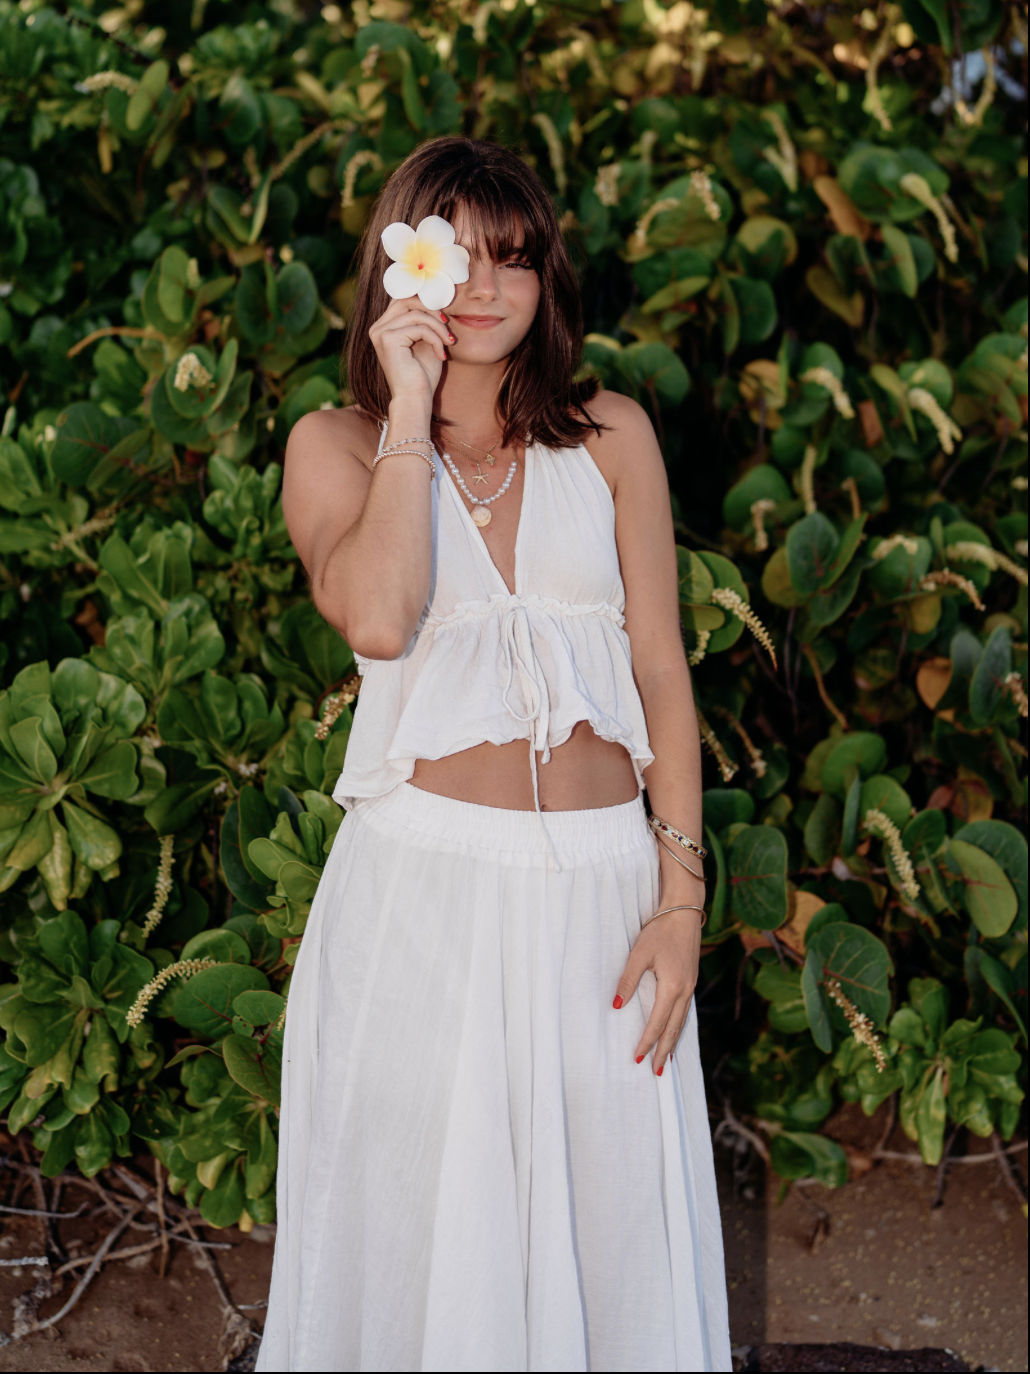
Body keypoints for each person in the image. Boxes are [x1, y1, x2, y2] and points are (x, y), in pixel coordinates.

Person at [256, 136, 730, 1373]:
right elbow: (376, 619)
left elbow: (661, 676)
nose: (480, 287)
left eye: (511, 259)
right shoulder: (335, 443)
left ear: (545, 277)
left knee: (611, 1234)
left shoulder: (612, 436)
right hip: (425, 897)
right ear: (396, 269)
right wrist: (409, 408)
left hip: (603, 894)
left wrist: (680, 903)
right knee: (433, 1245)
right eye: (449, 257)